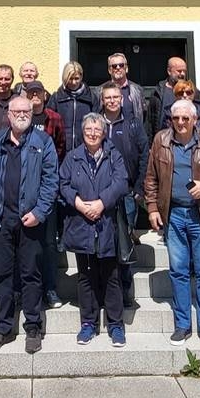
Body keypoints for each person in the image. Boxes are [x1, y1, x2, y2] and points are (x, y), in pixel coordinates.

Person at [0, 95, 59, 354]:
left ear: (32, 114)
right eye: (17, 111)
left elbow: (50, 181)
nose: (22, 114)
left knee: (31, 275)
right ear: (8, 115)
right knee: (2, 275)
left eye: (27, 110)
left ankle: (33, 327)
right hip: (1, 221)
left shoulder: (43, 142)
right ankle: (3, 327)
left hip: (31, 221)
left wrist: (39, 212)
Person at [145, 100, 200, 349]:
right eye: (176, 118)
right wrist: (152, 208)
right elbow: (151, 178)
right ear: (170, 119)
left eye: (185, 118)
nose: (180, 123)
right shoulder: (161, 141)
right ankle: (182, 325)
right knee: (178, 270)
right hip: (173, 215)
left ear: (194, 119)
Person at [60, 114, 130, 347]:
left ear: (103, 133)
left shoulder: (113, 156)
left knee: (111, 277)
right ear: (82, 132)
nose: (92, 133)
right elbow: (63, 184)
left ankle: (116, 324)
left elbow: (121, 182)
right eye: (88, 129)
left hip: (106, 224)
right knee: (85, 277)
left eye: (97, 129)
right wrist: (79, 203)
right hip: (81, 225)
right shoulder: (73, 157)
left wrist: (101, 203)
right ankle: (88, 323)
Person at [99, 82, 149, 307]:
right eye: (108, 97)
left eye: (115, 97)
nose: (112, 101)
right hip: (99, 195)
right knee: (101, 245)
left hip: (127, 194)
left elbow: (144, 156)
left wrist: (139, 188)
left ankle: (125, 294)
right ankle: (103, 292)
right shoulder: (94, 123)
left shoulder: (133, 124)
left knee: (124, 246)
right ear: (102, 100)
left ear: (122, 99)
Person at [24, 83, 68, 309]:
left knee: (50, 243)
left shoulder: (54, 118)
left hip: (48, 191)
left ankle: (50, 289)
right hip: (24, 192)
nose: (34, 97)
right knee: (27, 244)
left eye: (38, 93)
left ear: (44, 96)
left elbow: (61, 149)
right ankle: (27, 291)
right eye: (30, 93)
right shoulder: (22, 118)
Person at [147, 57, 200, 133]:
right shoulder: (157, 93)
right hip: (166, 140)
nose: (182, 74)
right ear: (169, 71)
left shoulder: (193, 92)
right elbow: (150, 123)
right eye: (179, 71)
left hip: (193, 140)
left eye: (184, 71)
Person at [51, 61, 98, 151]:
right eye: (70, 78)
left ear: (81, 77)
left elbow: (97, 123)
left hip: (84, 149)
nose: (73, 82)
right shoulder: (56, 97)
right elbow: (50, 124)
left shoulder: (91, 97)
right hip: (61, 150)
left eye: (76, 78)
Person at [98, 52, 148, 124]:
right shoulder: (100, 90)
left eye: (121, 65)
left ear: (126, 68)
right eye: (114, 66)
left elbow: (144, 116)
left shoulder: (137, 90)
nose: (118, 68)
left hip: (132, 133)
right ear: (109, 70)